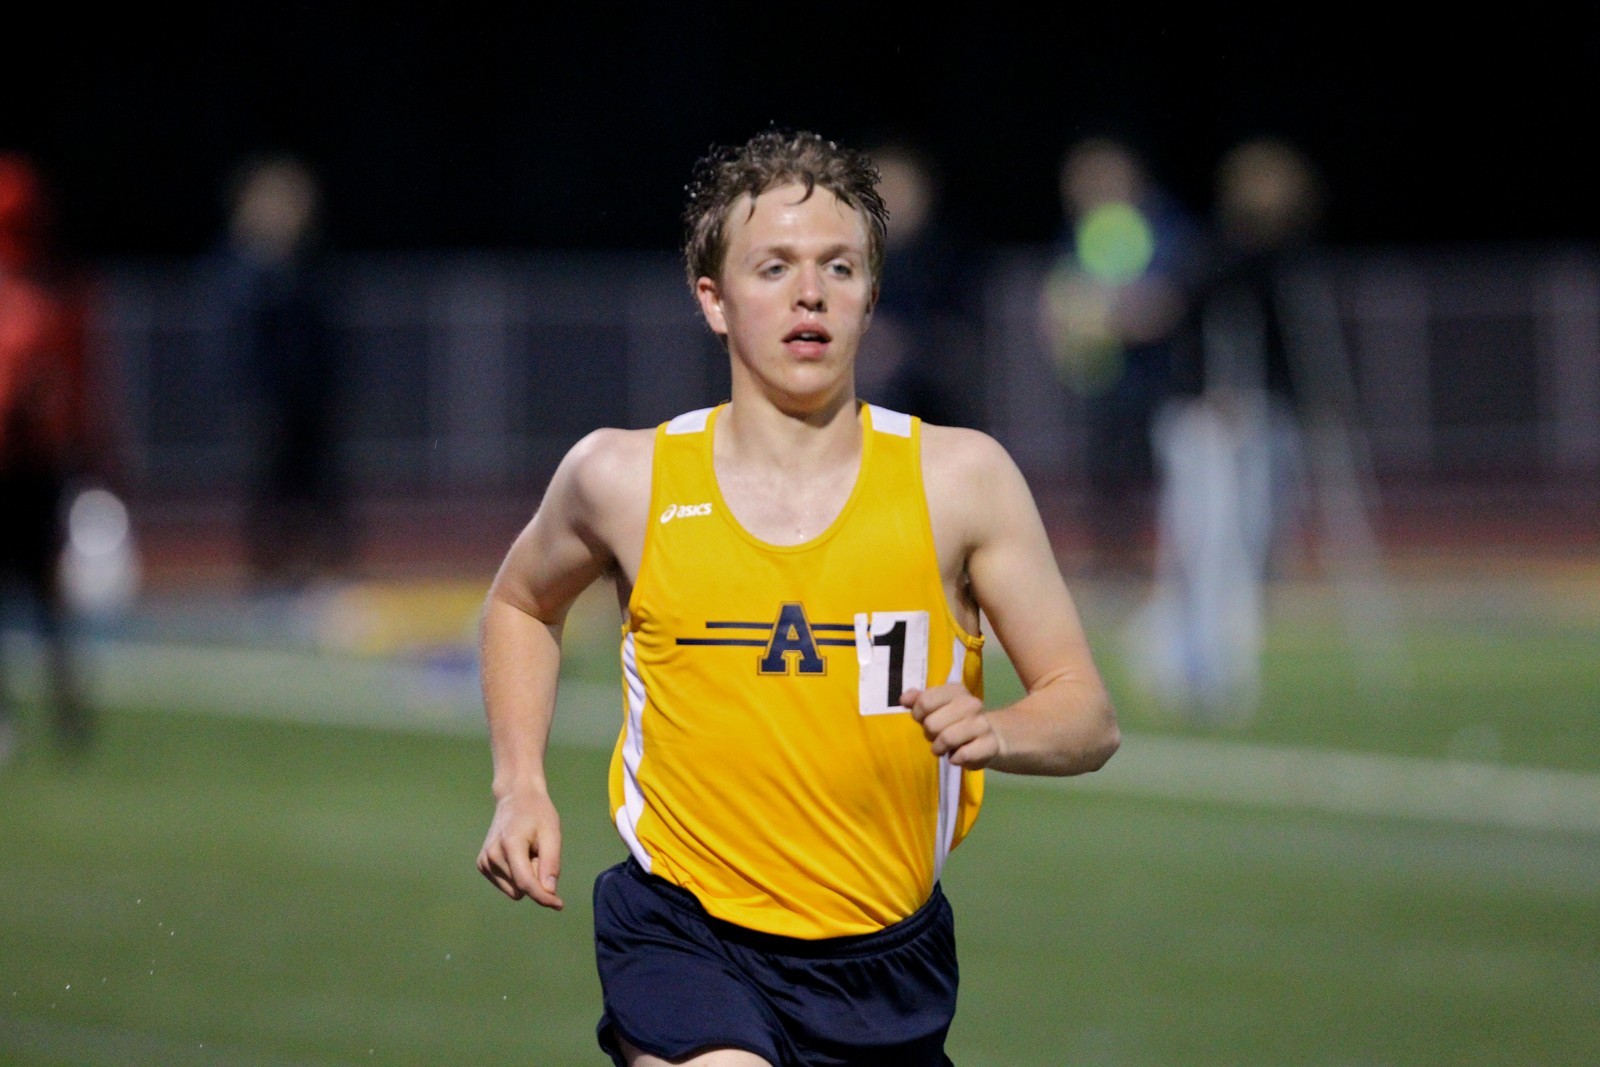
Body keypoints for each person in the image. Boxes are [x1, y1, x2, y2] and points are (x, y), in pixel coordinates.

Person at [475, 129, 1121, 1066]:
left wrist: (998, 728)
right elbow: (522, 605)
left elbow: (1087, 713)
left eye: (839, 267)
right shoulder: (624, 478)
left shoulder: (961, 481)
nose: (809, 292)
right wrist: (520, 785)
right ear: (713, 299)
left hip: (887, 964)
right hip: (684, 931)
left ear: (871, 296)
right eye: (773, 266)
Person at [1037, 135, 1203, 575]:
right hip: (1100, 383)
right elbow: (1058, 304)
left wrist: (1102, 313)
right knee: (1106, 485)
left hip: (1164, 383)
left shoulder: (1165, 225)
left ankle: (1171, 573)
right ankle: (1116, 568)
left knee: (1170, 484)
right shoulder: (1078, 232)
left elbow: (1161, 307)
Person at [213, 153, 352, 592]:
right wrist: (248, 398)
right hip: (267, 401)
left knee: (319, 489)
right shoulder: (242, 271)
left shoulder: (312, 264)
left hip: (311, 399)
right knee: (269, 490)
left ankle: (319, 573)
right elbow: (238, 344)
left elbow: (327, 337)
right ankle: (268, 576)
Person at [0, 152, 99, 761]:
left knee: (44, 590)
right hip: (33, 466)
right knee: (45, 593)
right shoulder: (51, 297)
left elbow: (66, 389)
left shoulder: (47, 298)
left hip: (29, 467)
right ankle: (61, 706)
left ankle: (60, 706)